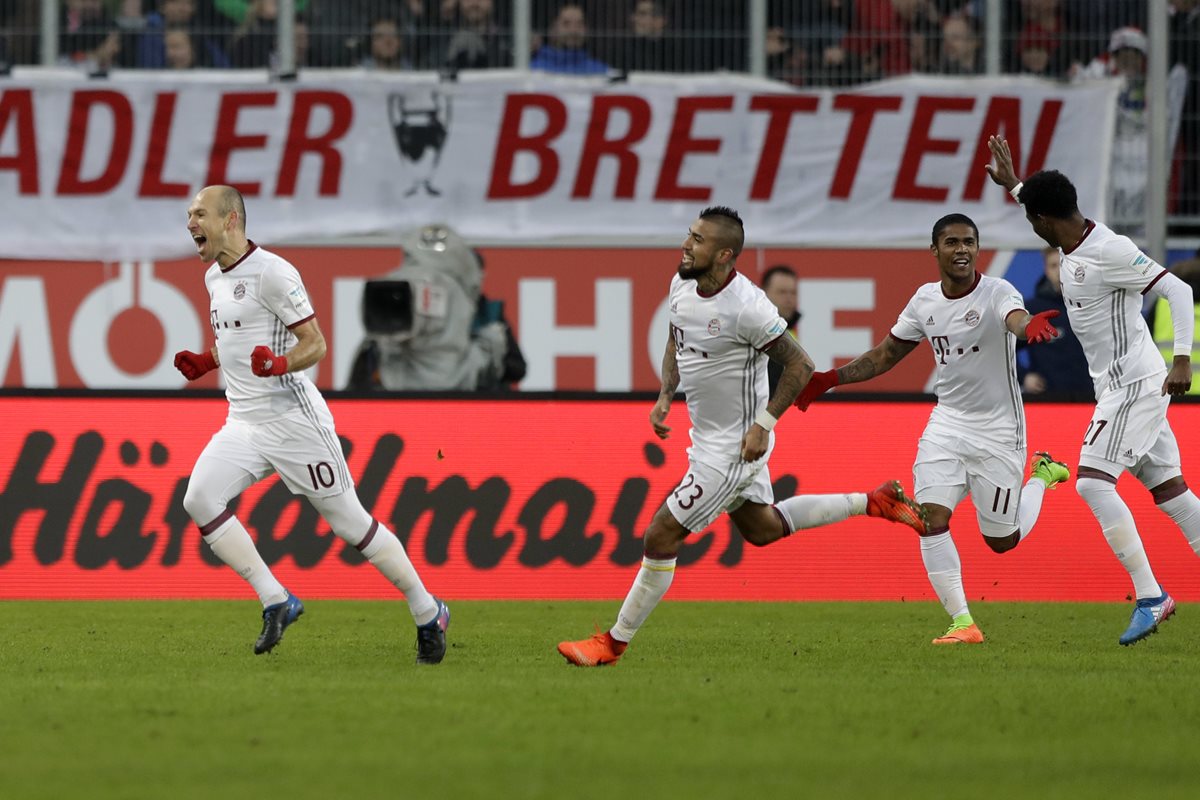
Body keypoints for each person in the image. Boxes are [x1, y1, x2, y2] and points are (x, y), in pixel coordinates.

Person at [556, 206, 928, 667]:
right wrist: (666, 393)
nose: (686, 245)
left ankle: (612, 644)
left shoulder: (747, 307)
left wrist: (764, 424)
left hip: (735, 448)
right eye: (688, 235)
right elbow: (677, 335)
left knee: (661, 533)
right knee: (762, 528)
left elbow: (801, 365)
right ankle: (873, 501)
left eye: (697, 240)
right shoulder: (682, 283)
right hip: (705, 438)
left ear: (724, 255)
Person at [172, 185, 450, 662]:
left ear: (231, 220)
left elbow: (315, 343)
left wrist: (280, 365)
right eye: (189, 215)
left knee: (351, 525)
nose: (190, 223)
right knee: (199, 498)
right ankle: (277, 599)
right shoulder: (214, 278)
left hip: (293, 420)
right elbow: (237, 339)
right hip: (243, 422)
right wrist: (207, 359)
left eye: (199, 214)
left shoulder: (274, 274)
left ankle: (428, 611)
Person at [795, 213, 1070, 645]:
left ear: (977, 249)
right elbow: (885, 355)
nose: (961, 249)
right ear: (935, 250)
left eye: (969, 242)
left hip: (999, 430)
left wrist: (1027, 324)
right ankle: (963, 623)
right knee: (930, 519)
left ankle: (1039, 474)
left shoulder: (999, 291)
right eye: (951, 242)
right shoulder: (924, 301)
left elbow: (1014, 316)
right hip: (947, 423)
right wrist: (831, 379)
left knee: (1002, 540)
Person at [987, 135, 1200, 645]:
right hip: (1120, 387)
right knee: (1172, 493)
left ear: (1043, 222)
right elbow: (1041, 206)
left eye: (1031, 218)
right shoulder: (1070, 239)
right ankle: (1153, 594)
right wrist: (1015, 184)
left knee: (1090, 482)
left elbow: (1179, 288)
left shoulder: (1109, 251)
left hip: (1135, 385)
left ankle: (1151, 596)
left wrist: (1183, 359)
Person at [347, 224, 512, 391]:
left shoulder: (483, 313)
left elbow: (516, 367)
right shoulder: (378, 346)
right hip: (396, 388)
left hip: (459, 392)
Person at [1021, 247, 1092, 396]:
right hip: (1047, 401)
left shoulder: (1092, 306)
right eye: (1053, 266)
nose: (1059, 271)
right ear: (1046, 270)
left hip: (1091, 399)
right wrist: (1024, 376)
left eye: (1063, 265)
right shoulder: (1032, 310)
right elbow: (1003, 350)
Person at [530, 3, 608, 75]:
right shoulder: (532, 70)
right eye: (566, 23)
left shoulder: (601, 71)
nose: (574, 30)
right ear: (552, 29)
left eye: (580, 24)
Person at [759, 264, 801, 396]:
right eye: (782, 292)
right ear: (764, 293)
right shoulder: (754, 333)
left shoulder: (789, 332)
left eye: (793, 293)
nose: (789, 299)